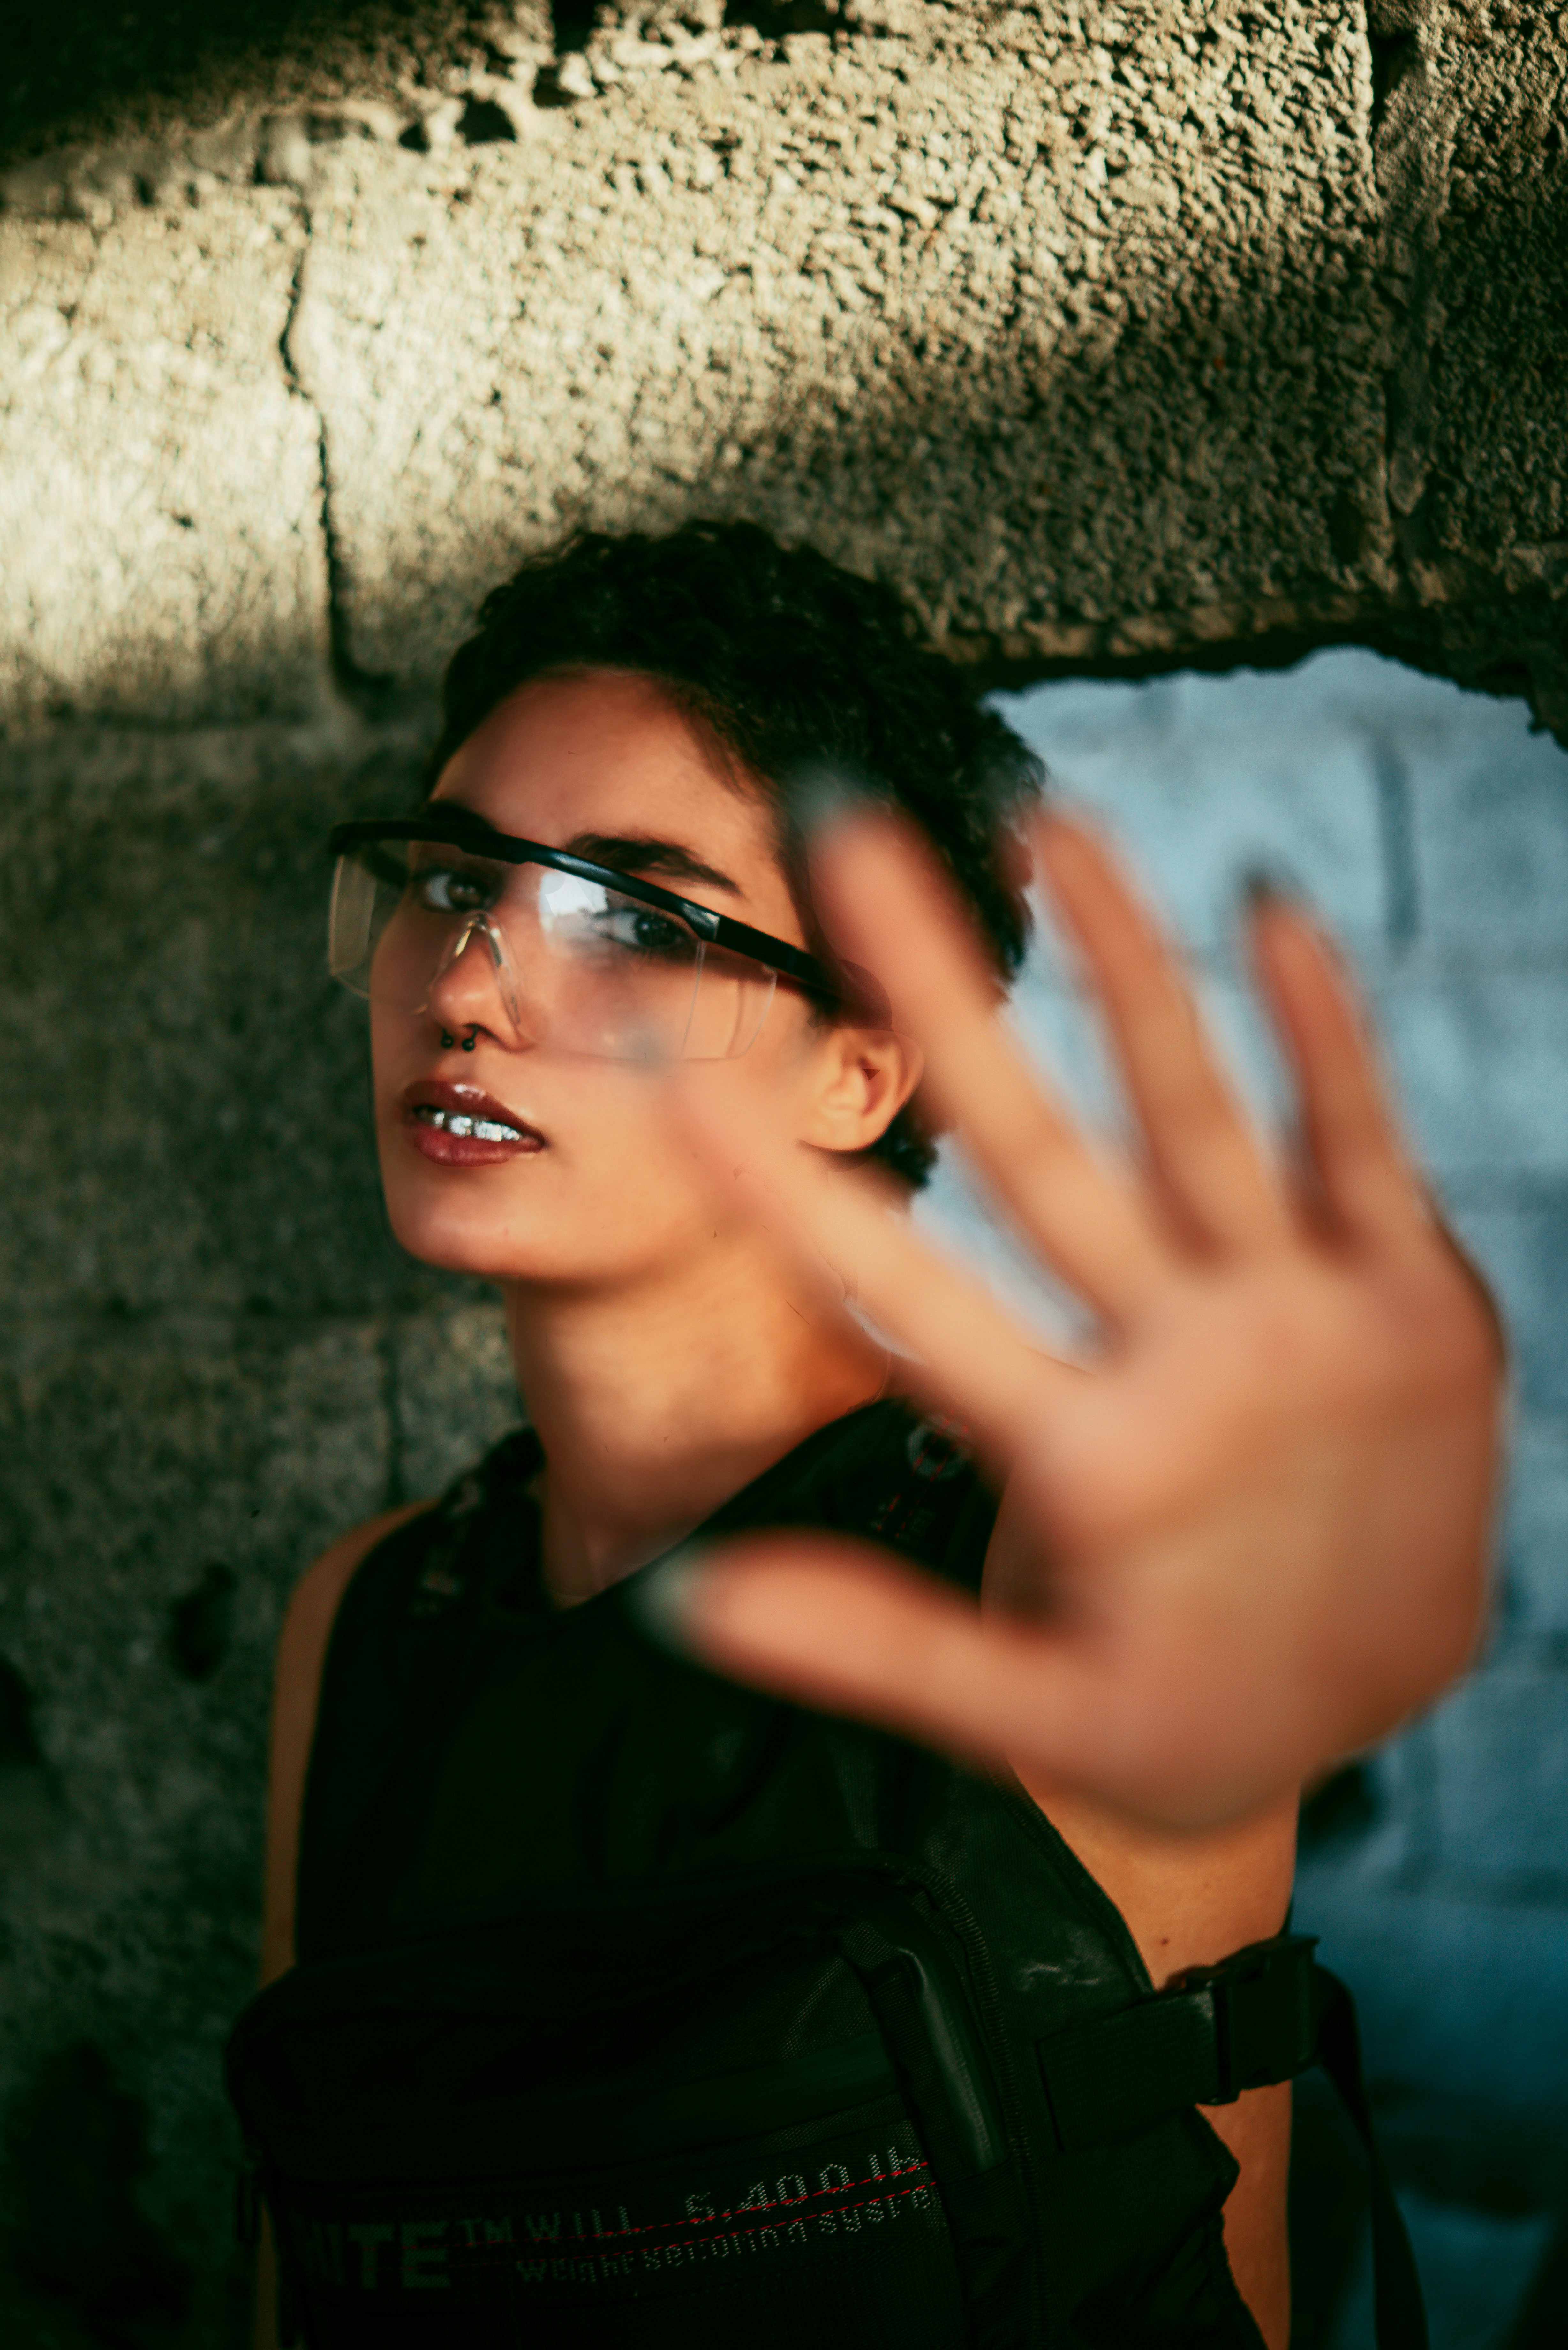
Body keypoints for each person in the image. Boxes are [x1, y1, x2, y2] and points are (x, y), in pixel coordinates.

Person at [240, 521, 1501, 2350]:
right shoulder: (366, 1619)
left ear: (861, 1066)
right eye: (452, 883)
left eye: (640, 920)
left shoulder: (1046, 1544)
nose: (467, 988)